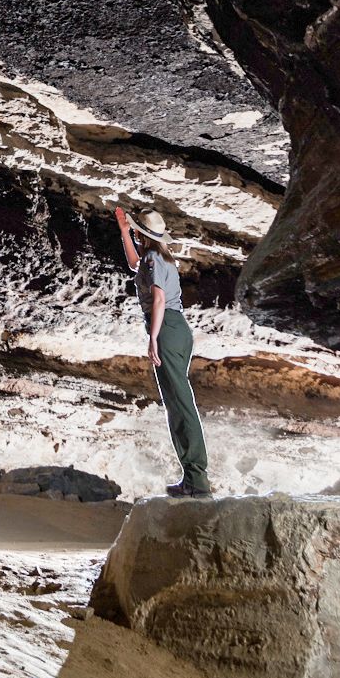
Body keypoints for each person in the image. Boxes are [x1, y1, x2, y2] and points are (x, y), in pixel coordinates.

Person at [115, 207, 211, 498]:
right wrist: (124, 233)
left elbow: (158, 299)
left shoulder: (155, 258)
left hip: (167, 327)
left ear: (144, 235)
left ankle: (197, 479)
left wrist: (153, 337)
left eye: (136, 232)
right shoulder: (158, 257)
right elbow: (135, 265)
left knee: (180, 404)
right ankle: (193, 477)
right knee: (178, 402)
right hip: (177, 328)